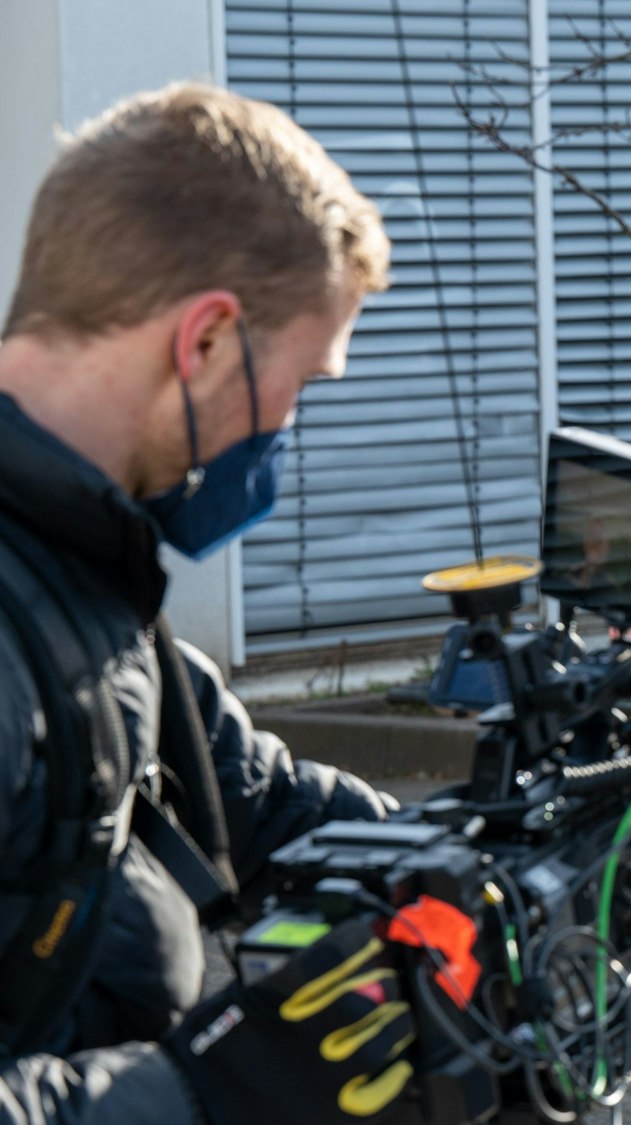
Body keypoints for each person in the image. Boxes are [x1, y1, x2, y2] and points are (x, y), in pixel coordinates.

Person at [0, 84, 433, 1124]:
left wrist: (470, 857)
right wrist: (204, 1092)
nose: (287, 424)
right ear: (203, 341)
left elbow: (242, 789)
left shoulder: (79, 548)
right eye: (303, 382)